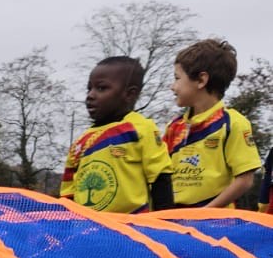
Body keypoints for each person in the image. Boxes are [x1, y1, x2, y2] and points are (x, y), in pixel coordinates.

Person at [59, 58, 174, 214]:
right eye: (89, 89)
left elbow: (161, 177)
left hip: (132, 230)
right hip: (88, 232)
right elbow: (67, 195)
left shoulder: (140, 129)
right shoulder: (81, 142)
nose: (90, 95)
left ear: (129, 94)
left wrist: (165, 225)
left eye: (101, 88)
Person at [164, 39, 261, 210]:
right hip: (175, 222)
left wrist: (207, 211)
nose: (172, 87)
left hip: (217, 225)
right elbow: (160, 174)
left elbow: (245, 180)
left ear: (201, 80)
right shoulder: (174, 126)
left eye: (177, 78)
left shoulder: (233, 123)